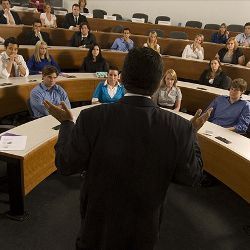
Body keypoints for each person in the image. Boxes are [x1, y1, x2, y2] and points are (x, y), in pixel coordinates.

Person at [43, 47, 212, 249]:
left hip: (97, 228)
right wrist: (191, 134)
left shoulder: (91, 118)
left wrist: (67, 125)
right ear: (159, 83)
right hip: (143, 231)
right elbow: (192, 176)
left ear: (122, 79)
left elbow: (65, 164)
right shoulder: (178, 128)